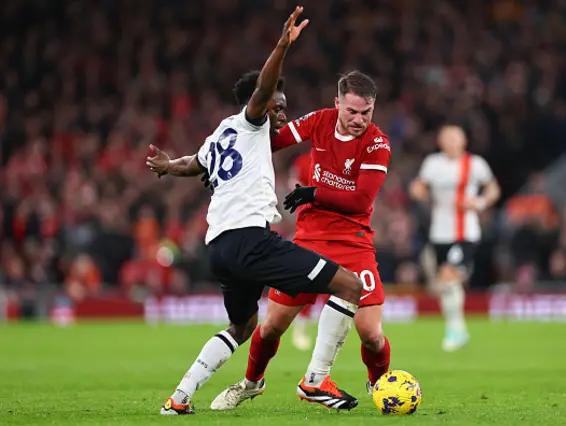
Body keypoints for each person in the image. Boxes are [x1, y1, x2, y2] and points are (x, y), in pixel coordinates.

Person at [146, 7, 362, 414]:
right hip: (250, 239)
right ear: (258, 104)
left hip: (221, 248)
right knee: (350, 286)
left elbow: (193, 164)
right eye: (278, 105)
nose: (282, 112)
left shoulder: (219, 134)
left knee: (242, 326)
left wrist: (166, 165)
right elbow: (263, 91)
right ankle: (315, 382)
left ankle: (179, 399)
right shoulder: (251, 121)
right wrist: (282, 44)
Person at [210, 70, 392, 411]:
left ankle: (381, 385)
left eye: (365, 113)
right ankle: (250, 384)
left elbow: (361, 200)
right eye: (351, 112)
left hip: (354, 241)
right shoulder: (320, 121)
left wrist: (315, 192)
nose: (358, 120)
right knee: (271, 328)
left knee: (371, 333)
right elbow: (271, 139)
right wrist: (222, 153)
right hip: (309, 239)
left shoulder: (377, 143)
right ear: (337, 104)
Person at [409, 125, 500, 352]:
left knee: (449, 275)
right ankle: (459, 330)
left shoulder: (475, 163)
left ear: (464, 141)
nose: (451, 142)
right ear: (440, 141)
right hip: (440, 232)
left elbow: (493, 189)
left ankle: (454, 330)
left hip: (465, 231)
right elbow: (420, 186)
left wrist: (478, 203)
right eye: (447, 138)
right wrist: (417, 191)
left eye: (455, 138)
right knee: (447, 281)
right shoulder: (433, 164)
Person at [287, 151, 315, 351]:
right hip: (311, 226)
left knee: (341, 280)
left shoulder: (344, 158)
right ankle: (301, 324)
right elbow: (294, 189)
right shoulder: (303, 161)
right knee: (310, 280)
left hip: (339, 227)